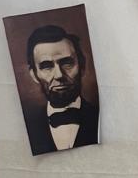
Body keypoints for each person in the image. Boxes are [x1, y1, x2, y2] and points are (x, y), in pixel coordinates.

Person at [22, 23, 99, 156]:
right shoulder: (26, 128)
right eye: (46, 66)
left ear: (82, 66)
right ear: (34, 75)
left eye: (67, 63)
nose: (59, 75)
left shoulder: (101, 116)